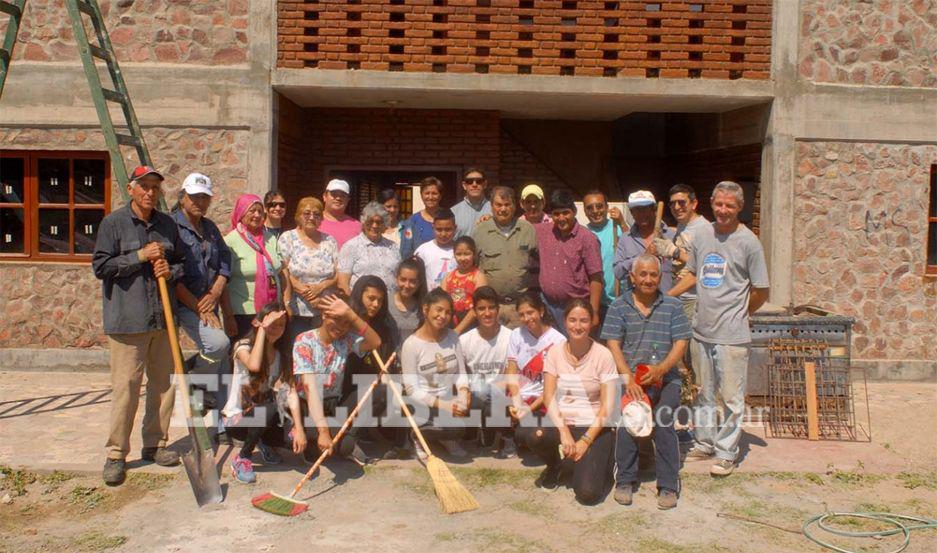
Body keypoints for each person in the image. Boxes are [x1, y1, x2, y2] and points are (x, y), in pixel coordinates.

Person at [92, 165, 184, 486]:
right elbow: (101, 266)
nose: (149, 192)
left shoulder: (167, 225)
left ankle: (155, 444)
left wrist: (170, 271)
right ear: (130, 189)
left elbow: (183, 263)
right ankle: (116, 453)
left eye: (155, 187)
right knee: (126, 389)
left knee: (163, 385)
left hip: (162, 319)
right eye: (143, 186)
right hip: (128, 321)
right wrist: (140, 256)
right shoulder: (113, 224)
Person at [672, 181, 770, 476]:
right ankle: (704, 442)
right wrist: (667, 298)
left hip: (731, 335)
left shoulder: (749, 242)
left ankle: (727, 451)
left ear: (739, 207)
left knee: (729, 396)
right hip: (701, 331)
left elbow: (761, 289)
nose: (723, 210)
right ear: (711, 204)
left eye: (729, 205)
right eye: (719, 204)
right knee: (703, 392)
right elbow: (693, 274)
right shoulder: (702, 235)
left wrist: (741, 313)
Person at [601, 254, 691, 510]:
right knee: (631, 417)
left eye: (653, 274)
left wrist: (662, 369)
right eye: (643, 274)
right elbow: (613, 344)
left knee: (663, 420)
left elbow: (681, 343)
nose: (648, 279)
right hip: (632, 379)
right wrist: (628, 377)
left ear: (660, 278)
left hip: (666, 379)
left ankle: (669, 485)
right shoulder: (619, 306)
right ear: (632, 277)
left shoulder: (673, 306)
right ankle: (626, 480)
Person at [517, 300, 618, 504]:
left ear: (592, 323)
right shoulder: (554, 353)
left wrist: (585, 441)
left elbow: (608, 407)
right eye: (572, 320)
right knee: (536, 435)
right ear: (565, 321)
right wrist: (563, 432)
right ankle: (555, 466)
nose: (577, 326)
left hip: (593, 427)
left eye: (583, 321)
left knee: (588, 494)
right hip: (563, 422)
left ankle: (604, 460)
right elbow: (549, 396)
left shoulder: (603, 355)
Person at [171, 173, 233, 435]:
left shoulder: (209, 227)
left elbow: (225, 261)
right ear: (182, 197)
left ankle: (216, 422)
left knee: (221, 364)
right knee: (218, 344)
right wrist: (201, 307)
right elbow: (173, 276)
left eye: (204, 197)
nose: (199, 201)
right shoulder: (171, 227)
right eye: (194, 196)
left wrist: (216, 291)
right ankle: (193, 375)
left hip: (209, 300)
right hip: (186, 304)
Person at [291, 294, 382, 464]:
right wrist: (323, 431)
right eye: (337, 319)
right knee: (342, 445)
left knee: (380, 389)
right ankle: (315, 440)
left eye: (346, 322)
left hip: (334, 405)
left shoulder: (346, 341)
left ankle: (347, 435)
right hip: (308, 407)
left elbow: (375, 342)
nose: (341, 327)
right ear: (324, 315)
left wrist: (351, 315)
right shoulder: (304, 341)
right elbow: (310, 388)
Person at [223, 302, 290, 484]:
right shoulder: (242, 346)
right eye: (271, 324)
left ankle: (265, 442)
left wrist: (297, 427)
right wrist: (263, 330)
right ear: (258, 323)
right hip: (237, 419)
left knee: (287, 399)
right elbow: (254, 365)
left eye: (280, 325)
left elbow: (283, 390)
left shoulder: (279, 354)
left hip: (261, 412)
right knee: (267, 407)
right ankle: (243, 458)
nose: (276, 329)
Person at [400, 289, 471, 459]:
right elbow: (411, 390)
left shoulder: (453, 337)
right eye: (438, 310)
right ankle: (418, 436)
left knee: (473, 408)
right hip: (422, 403)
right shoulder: (411, 345)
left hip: (447, 398)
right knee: (455, 427)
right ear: (426, 310)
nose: (443, 316)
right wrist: (444, 406)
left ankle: (443, 437)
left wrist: (464, 392)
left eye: (447, 312)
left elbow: (460, 373)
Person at [661, 184, 710, 406]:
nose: (677, 207)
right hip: (682, 299)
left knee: (695, 359)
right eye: (673, 203)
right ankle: (689, 407)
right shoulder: (682, 227)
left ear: (694, 203)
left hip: (694, 301)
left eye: (682, 202)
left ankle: (701, 415)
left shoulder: (704, 229)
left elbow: (700, 272)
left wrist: (667, 296)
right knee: (681, 358)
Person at [277, 196, 339, 368]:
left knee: (321, 354)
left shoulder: (329, 241)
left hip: (324, 310)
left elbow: (337, 274)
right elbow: (284, 271)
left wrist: (321, 287)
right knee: (297, 353)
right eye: (307, 213)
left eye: (317, 214)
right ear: (298, 215)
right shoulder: (288, 238)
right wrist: (307, 293)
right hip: (297, 310)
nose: (312, 217)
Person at [535, 189, 603, 335]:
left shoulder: (587, 238)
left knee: (574, 351)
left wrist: (594, 312)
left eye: (565, 213)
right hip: (547, 306)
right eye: (556, 214)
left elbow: (596, 278)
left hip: (575, 308)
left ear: (574, 211)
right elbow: (519, 227)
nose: (561, 218)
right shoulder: (543, 231)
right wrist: (488, 219)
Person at [504, 292, 565, 451]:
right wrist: (517, 402)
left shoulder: (559, 341)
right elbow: (511, 370)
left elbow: (554, 387)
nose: (526, 318)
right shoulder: (516, 334)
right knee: (490, 407)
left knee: (528, 435)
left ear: (541, 311)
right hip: (517, 396)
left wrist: (528, 409)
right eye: (522, 315)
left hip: (541, 401)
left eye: (530, 312)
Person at [472, 186, 539, 328]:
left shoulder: (528, 230)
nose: (503, 209)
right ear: (491, 206)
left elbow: (538, 262)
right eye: (498, 205)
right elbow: (474, 267)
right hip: (491, 307)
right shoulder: (480, 231)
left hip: (519, 307)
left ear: (515, 206)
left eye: (507, 204)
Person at [458, 286, 514, 456]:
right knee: (477, 392)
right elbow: (460, 374)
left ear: (498, 309)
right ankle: (481, 433)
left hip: (502, 393)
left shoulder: (511, 337)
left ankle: (506, 436)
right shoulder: (465, 340)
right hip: (477, 395)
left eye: (491, 308)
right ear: (474, 312)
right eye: (481, 308)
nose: (487, 313)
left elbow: (511, 374)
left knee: (493, 393)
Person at [224, 194, 284, 339]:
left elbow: (281, 270)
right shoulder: (230, 241)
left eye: (259, 211)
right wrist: (228, 316)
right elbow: (223, 282)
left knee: (269, 356)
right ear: (241, 213)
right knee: (246, 355)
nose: (257, 215)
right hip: (243, 313)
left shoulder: (270, 238)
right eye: (252, 211)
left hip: (272, 311)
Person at [614, 190, 676, 294]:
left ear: (654, 210)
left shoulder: (671, 236)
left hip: (667, 302)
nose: (641, 214)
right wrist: (642, 258)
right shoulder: (625, 239)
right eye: (637, 210)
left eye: (645, 209)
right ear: (631, 213)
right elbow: (618, 272)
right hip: (636, 303)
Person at [337, 201, 401, 296]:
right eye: (370, 221)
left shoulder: (393, 247)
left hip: (390, 305)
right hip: (361, 307)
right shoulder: (351, 247)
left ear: (384, 224)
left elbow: (399, 277)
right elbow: (342, 283)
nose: (374, 226)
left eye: (378, 222)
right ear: (363, 222)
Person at [582, 189, 627, 315]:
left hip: (619, 299)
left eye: (599, 206)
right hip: (593, 302)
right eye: (590, 208)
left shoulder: (616, 227)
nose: (595, 211)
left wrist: (622, 222)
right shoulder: (582, 234)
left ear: (607, 207)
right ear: (585, 211)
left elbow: (633, 245)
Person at [441, 236, 488, 334]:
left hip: (471, 326)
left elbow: (479, 307)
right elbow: (441, 303)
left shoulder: (478, 277)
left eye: (467, 254)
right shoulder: (448, 277)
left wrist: (458, 330)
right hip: (449, 326)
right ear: (454, 255)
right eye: (458, 254)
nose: (462, 258)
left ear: (474, 254)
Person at [414, 207, 457, 291]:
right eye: (439, 229)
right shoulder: (423, 250)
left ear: (455, 228)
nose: (443, 234)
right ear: (433, 227)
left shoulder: (460, 251)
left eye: (448, 229)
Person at [401, 176, 443, 258]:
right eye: (427, 193)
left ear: (440, 196)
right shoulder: (411, 222)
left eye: (434, 193)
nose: (430, 197)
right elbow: (405, 252)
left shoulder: (448, 218)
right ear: (421, 195)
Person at [389, 257, 428, 345]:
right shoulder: (385, 303)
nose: (407, 285)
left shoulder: (424, 307)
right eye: (403, 279)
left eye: (413, 281)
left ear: (419, 283)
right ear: (396, 278)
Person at [319, 179, 361, 249]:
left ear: (348, 200)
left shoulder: (357, 226)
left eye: (343, 195)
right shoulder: (313, 222)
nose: (338, 198)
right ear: (324, 197)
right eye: (334, 194)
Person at [451, 168, 492, 238]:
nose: (474, 184)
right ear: (464, 185)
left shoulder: (495, 209)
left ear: (485, 184)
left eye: (479, 181)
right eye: (470, 182)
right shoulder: (453, 212)